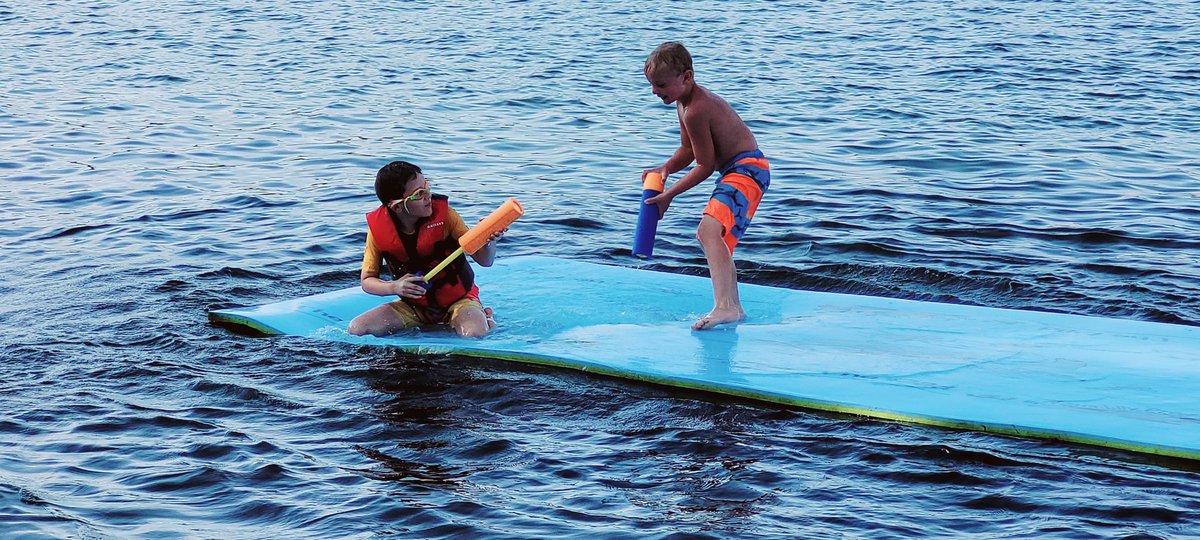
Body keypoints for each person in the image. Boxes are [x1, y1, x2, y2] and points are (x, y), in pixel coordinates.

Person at [642, 41, 771, 330]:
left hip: (747, 170)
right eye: (651, 85)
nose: (655, 92)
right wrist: (666, 168)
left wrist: (669, 195)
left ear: (687, 77)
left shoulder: (697, 109)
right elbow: (689, 150)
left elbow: (705, 165)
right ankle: (732, 307)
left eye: (661, 84)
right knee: (712, 236)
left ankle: (725, 307)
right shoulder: (683, 104)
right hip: (741, 171)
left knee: (708, 230)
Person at [348, 160, 502, 338]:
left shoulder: (447, 217)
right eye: (419, 194)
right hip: (415, 307)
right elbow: (367, 281)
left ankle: (485, 318)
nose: (429, 195)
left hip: (459, 301)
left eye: (427, 187)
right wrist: (394, 287)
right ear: (397, 206)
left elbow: (486, 261)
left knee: (473, 333)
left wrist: (489, 241)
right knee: (357, 328)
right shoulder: (377, 231)